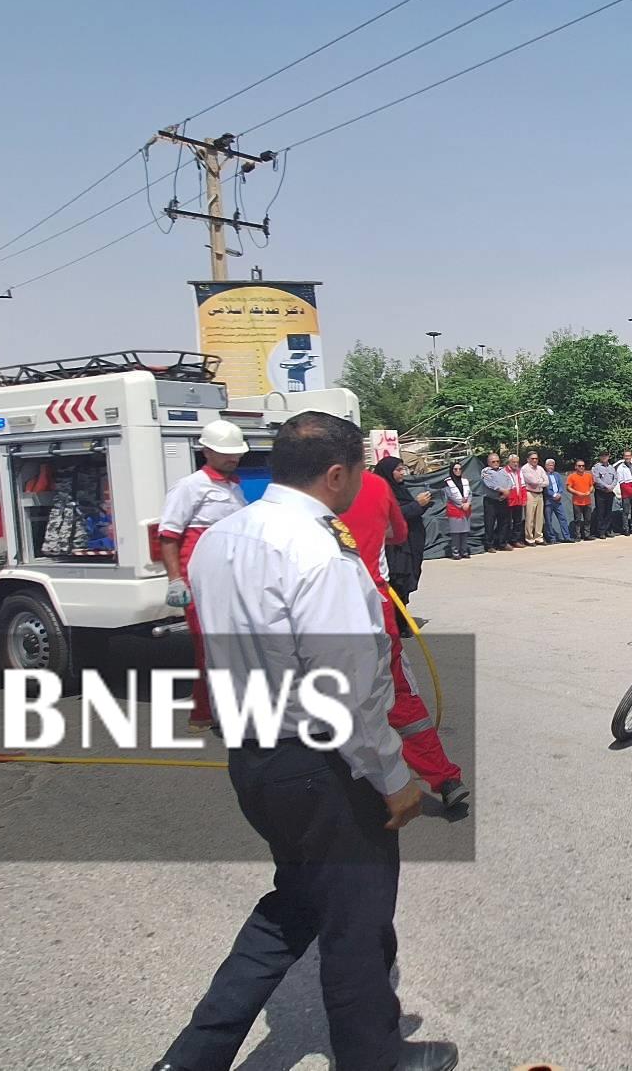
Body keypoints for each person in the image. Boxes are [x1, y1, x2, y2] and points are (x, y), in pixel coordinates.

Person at [156, 411, 456, 1071]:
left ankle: (193, 1057)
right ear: (336, 473)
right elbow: (348, 687)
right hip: (321, 763)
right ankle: (374, 1057)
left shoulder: (222, 538)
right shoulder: (321, 548)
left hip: (254, 757)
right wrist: (394, 777)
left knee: (293, 905)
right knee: (356, 917)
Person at [340, 460, 467, 808]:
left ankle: (352, 782)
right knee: (399, 697)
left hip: (325, 614)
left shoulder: (293, 500)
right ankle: (444, 778)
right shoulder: (375, 488)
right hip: (374, 607)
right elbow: (397, 533)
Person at [158, 420, 250, 732]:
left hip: (229, 576)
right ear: (206, 451)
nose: (233, 458)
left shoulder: (234, 486)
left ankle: (206, 711)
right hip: (198, 578)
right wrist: (175, 579)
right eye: (226, 453)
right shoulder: (190, 486)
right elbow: (168, 535)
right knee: (211, 646)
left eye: (236, 453)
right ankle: (216, 712)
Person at [374, 457, 431, 612]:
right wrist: (416, 505)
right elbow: (392, 515)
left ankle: (402, 616)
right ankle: (396, 619)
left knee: (406, 581)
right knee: (397, 581)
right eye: (398, 470)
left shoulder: (400, 489)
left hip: (410, 543)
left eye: (403, 469)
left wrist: (422, 506)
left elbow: (407, 511)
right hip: (395, 548)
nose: (402, 474)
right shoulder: (382, 491)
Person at [479, 452, 512, 553]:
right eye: (493, 461)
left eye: (497, 461)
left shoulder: (503, 471)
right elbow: (490, 484)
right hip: (491, 501)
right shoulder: (486, 471)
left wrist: (507, 492)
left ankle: (502, 543)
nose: (496, 463)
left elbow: (509, 481)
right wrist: (502, 490)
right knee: (490, 523)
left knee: (504, 522)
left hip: (503, 499)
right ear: (488, 462)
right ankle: (489, 545)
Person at [441, 461, 474, 559]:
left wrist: (468, 503)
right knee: (456, 533)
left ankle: (464, 551)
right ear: (452, 470)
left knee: (465, 532)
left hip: (466, 510)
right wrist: (461, 505)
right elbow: (450, 496)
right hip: (454, 510)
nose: (458, 471)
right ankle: (455, 553)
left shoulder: (465, 481)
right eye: (455, 469)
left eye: (460, 469)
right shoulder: (447, 482)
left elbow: (470, 493)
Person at [520, 452, 548, 545]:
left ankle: (538, 537)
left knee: (539, 517)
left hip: (540, 493)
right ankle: (529, 538)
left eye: (536, 458)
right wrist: (540, 481)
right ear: (528, 459)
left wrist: (539, 482)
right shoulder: (525, 468)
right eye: (532, 458)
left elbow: (547, 482)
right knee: (530, 516)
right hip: (530, 493)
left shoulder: (540, 468)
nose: (535, 460)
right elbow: (533, 481)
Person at [543, 456, 571, 543]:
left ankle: (567, 537)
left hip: (558, 501)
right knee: (548, 520)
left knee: (563, 518)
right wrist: (554, 495)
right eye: (549, 465)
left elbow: (561, 486)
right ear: (546, 466)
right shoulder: (544, 475)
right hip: (549, 501)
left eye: (552, 465)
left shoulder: (557, 475)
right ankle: (552, 538)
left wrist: (559, 493)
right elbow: (546, 488)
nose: (551, 467)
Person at [566, 460, 596, 541]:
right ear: (575, 467)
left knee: (588, 519)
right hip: (577, 502)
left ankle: (587, 535)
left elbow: (592, 486)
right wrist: (577, 493)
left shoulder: (588, 475)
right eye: (579, 466)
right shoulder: (571, 476)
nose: (581, 467)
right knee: (577, 520)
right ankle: (577, 535)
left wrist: (590, 491)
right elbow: (568, 488)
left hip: (587, 501)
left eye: (583, 465)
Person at [615, 450, 632, 535]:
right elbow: (622, 483)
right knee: (626, 511)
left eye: (629, 456)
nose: (627, 457)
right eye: (626, 456)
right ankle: (626, 528)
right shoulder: (620, 468)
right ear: (623, 457)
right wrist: (631, 491)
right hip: (626, 494)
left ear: (631, 456)